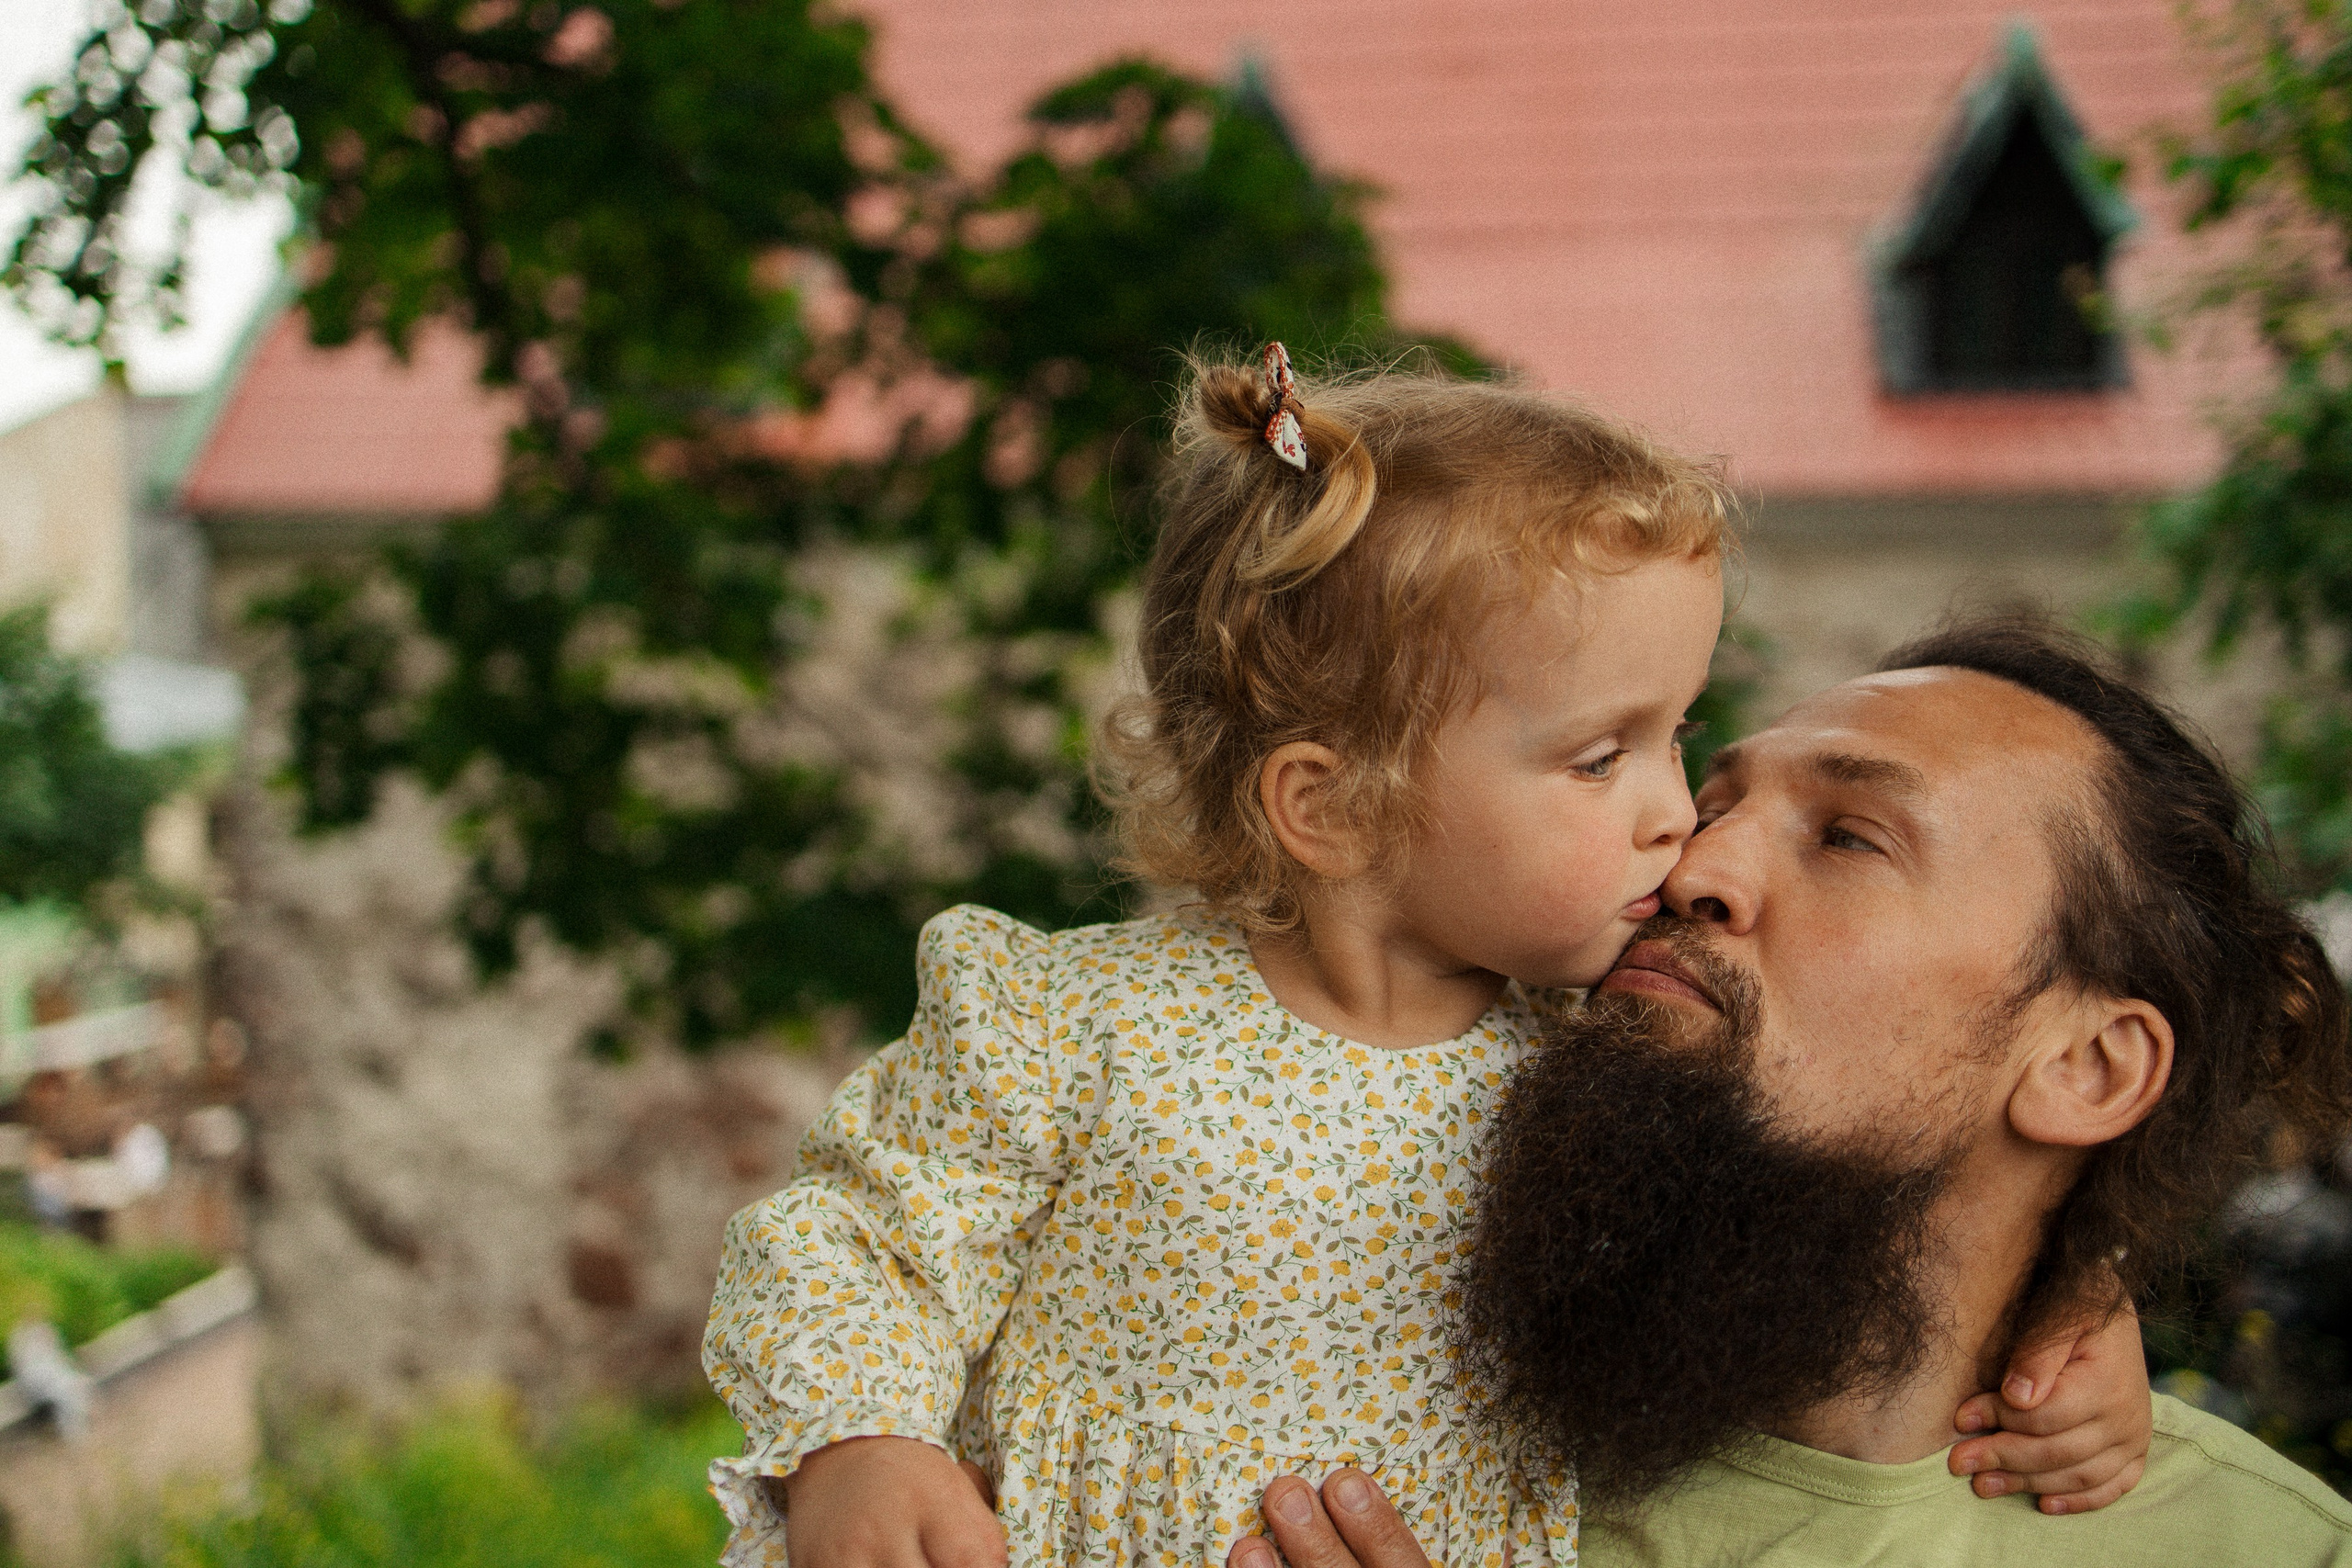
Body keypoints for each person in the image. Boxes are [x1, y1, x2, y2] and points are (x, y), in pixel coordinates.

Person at [701, 353, 2148, 1568]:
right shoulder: (1075, 1021)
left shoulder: (1595, 1055)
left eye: (1675, 731)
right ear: (1335, 805)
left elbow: (1843, 1219)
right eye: (1602, 753)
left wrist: (2078, 1306)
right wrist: (858, 1443)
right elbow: (850, 1242)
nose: (1675, 810)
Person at [1226, 619, 2352, 1568]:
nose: (1689, 869)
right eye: (1706, 804)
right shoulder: (1339, 1346)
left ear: (2085, 1066)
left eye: (1850, 839)